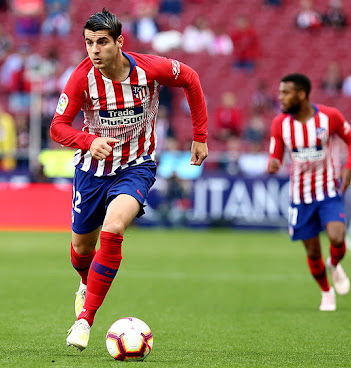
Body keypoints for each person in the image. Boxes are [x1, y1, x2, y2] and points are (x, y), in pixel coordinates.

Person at [50, 9, 208, 351]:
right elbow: (57, 127)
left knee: (115, 226)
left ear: (119, 42)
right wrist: (88, 141)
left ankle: (84, 320)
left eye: (102, 42)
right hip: (92, 171)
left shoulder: (148, 69)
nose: (94, 50)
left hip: (137, 166)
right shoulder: (81, 78)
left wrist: (200, 135)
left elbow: (191, 78)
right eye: (89, 43)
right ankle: (84, 283)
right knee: (80, 249)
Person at [267, 73, 351, 311]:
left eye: (285, 93)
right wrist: (273, 163)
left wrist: (348, 169)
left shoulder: (330, 116)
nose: (281, 98)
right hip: (300, 198)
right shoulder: (280, 123)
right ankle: (326, 292)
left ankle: (335, 263)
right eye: (280, 93)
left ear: (301, 94)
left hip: (328, 191)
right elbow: (275, 154)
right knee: (312, 250)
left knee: (338, 237)